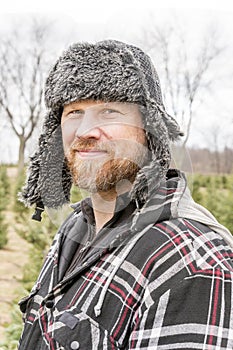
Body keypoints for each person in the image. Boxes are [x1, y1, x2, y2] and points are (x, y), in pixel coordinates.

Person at [18, 40, 233, 350]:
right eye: (74, 111)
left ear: (149, 128)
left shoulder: (191, 264)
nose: (85, 131)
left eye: (109, 111)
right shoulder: (75, 227)